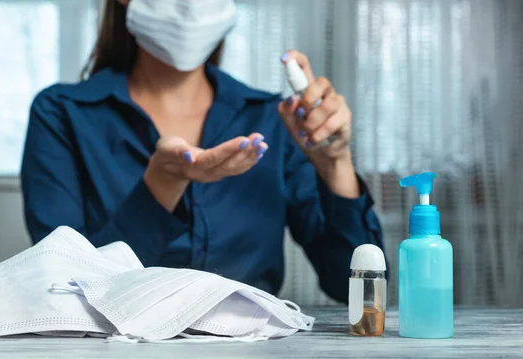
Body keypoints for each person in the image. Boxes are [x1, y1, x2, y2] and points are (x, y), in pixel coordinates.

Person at [20, 0, 384, 303]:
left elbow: (353, 290)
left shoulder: (271, 119)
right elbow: (66, 287)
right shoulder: (61, 114)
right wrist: (163, 184)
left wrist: (334, 163)